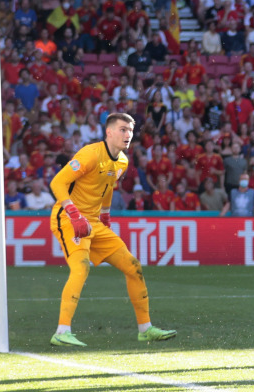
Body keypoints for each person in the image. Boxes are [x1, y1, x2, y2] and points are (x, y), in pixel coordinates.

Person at [47, 113, 176, 347]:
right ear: (109, 132)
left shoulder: (122, 161)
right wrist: (74, 214)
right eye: (123, 130)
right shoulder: (89, 154)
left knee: (133, 266)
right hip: (68, 218)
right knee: (81, 267)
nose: (128, 135)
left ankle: (145, 329)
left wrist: (105, 216)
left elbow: (107, 187)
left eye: (130, 130)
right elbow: (57, 182)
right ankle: (61, 331)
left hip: (94, 222)